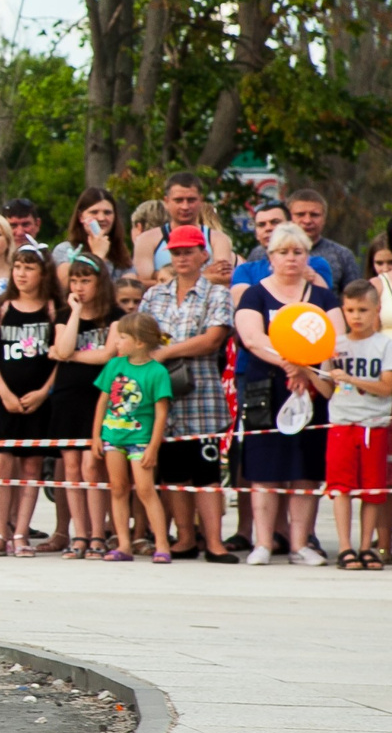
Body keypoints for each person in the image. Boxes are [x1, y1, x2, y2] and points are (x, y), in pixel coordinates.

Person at [235, 224, 338, 566]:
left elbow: (334, 340)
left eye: (297, 252)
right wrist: (289, 363)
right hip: (267, 387)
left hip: (311, 388)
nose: (290, 258)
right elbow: (252, 338)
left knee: (305, 468)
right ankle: (263, 543)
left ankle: (300, 544)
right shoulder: (255, 294)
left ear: (308, 256)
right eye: (283, 252)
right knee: (265, 467)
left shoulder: (323, 297)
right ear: (270, 257)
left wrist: (306, 369)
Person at [135, 226, 236, 562]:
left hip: (202, 395)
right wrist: (156, 354)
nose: (181, 258)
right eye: (176, 252)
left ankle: (215, 542)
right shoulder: (154, 296)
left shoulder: (217, 293)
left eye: (188, 251)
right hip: (164, 396)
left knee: (206, 474)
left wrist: (167, 352)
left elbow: (213, 339)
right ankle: (185, 538)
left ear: (203, 254)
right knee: (175, 472)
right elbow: (143, 338)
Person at [0, 244, 61, 557]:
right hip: (4, 400)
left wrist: (44, 392)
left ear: (43, 273)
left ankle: (21, 533)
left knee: (31, 465)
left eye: (29, 268)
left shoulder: (53, 309)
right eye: (18, 267)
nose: (22, 274)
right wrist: (4, 393)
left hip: (38, 401)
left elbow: (59, 358)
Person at [318, 279, 392, 569]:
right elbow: (327, 389)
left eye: (363, 310)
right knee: (341, 488)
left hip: (373, 424)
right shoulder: (335, 347)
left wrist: (352, 379)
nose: (356, 316)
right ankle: (345, 548)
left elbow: (387, 387)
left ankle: (367, 546)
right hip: (341, 423)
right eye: (350, 310)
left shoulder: (385, 345)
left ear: (377, 310)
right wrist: (307, 372)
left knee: (372, 489)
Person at [45, 256, 119, 557]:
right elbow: (61, 347)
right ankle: (81, 534)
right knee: (71, 468)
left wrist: (69, 355)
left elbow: (106, 356)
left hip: (98, 397)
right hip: (68, 396)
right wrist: (75, 311)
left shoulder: (114, 315)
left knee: (93, 466)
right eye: (75, 281)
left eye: (86, 280)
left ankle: (99, 534)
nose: (79, 286)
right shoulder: (65, 314)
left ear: (99, 282)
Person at [93, 313, 173, 562]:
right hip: (113, 436)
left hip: (140, 438)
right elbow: (103, 401)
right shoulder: (114, 366)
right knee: (117, 489)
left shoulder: (157, 372)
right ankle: (123, 544)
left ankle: (161, 544)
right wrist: (96, 435)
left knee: (146, 490)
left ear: (139, 342)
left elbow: (161, 413)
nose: (117, 342)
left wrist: (153, 447)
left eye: (122, 338)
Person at [283, 189, 361, 293]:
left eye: (314, 215)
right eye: (300, 214)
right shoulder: (266, 253)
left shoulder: (343, 255)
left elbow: (356, 299)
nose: (308, 221)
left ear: (324, 218)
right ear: (288, 218)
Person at [53, 187, 122, 287]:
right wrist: (98, 256)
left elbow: (127, 291)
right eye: (94, 212)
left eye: (107, 212)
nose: (102, 218)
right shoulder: (65, 250)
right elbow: (68, 285)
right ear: (81, 217)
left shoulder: (121, 254)